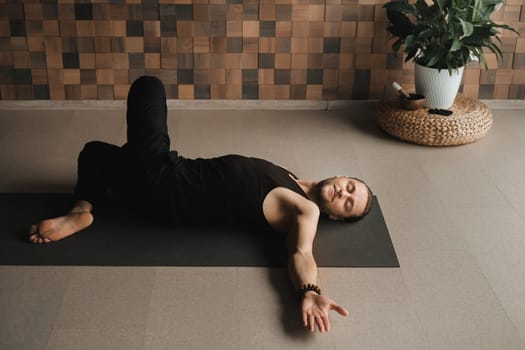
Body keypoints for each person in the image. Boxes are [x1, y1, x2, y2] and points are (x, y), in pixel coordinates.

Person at [28, 76, 373, 333]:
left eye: (347, 204)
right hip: (163, 179)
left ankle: (102, 195)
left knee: (148, 86)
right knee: (94, 152)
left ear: (334, 216)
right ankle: (80, 212)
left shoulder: (307, 210)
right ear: (344, 175)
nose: (343, 193)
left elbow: (301, 253)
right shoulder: (292, 177)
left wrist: (310, 292)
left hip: (164, 185)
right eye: (350, 187)